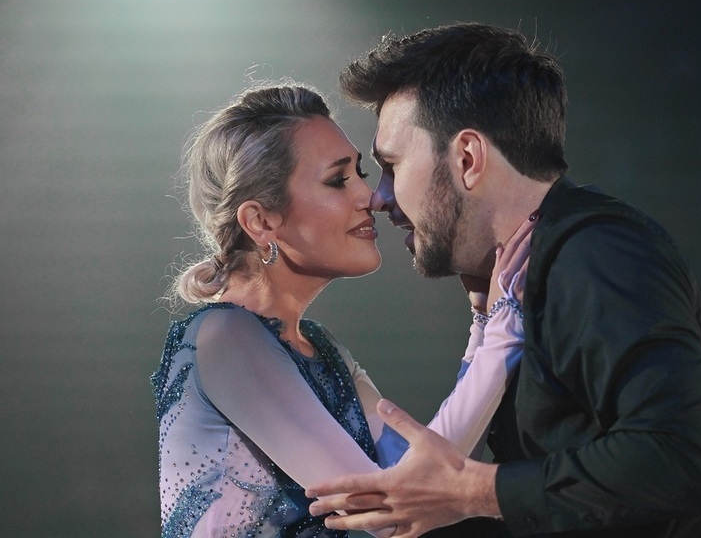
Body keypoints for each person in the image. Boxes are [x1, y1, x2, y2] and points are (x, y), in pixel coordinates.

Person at [305, 23, 701, 537]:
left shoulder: (595, 253)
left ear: (467, 159)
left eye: (391, 166)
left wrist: (471, 492)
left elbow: (685, 459)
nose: (379, 198)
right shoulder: (523, 274)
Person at [151, 82, 533, 538]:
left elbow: (429, 481)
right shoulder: (224, 335)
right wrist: (503, 329)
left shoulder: (324, 349)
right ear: (261, 221)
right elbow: (389, 511)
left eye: (361, 174)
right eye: (338, 180)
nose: (369, 197)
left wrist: (487, 325)